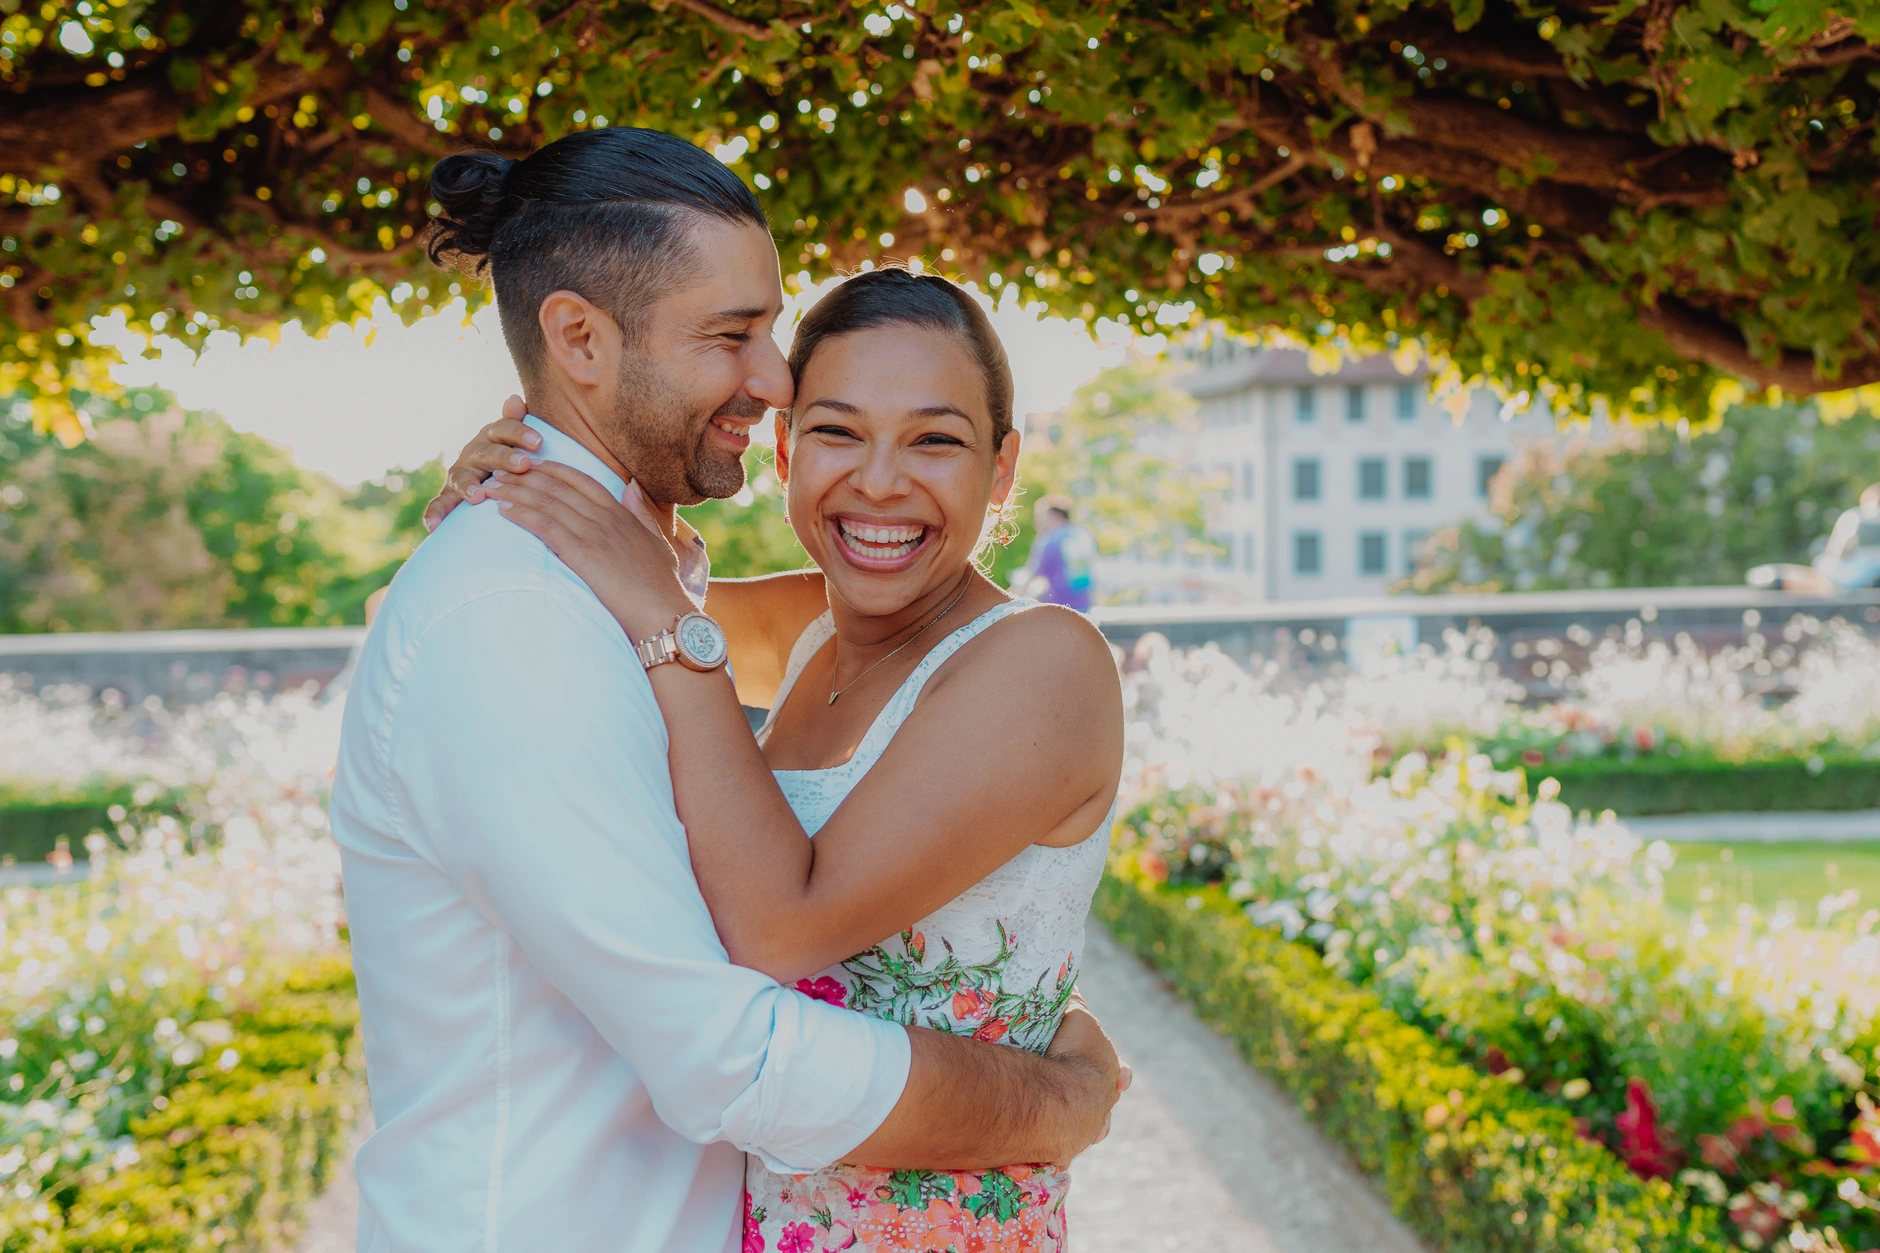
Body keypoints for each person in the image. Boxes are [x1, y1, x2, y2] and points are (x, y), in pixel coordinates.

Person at [330, 128, 1123, 1253]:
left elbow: (690, 615)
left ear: (1003, 464)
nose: (771, 377)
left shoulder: (656, 600)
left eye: (935, 439)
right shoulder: (531, 610)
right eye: (735, 337)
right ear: (578, 339)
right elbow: (738, 1043)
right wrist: (1052, 1097)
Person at [1012, 494, 1097, 612]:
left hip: (1060, 608)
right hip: (1085, 606)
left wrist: (1011, 599)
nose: (1036, 521)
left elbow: (1032, 574)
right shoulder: (1082, 533)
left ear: (1055, 515)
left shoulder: (1049, 539)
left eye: (1040, 516)